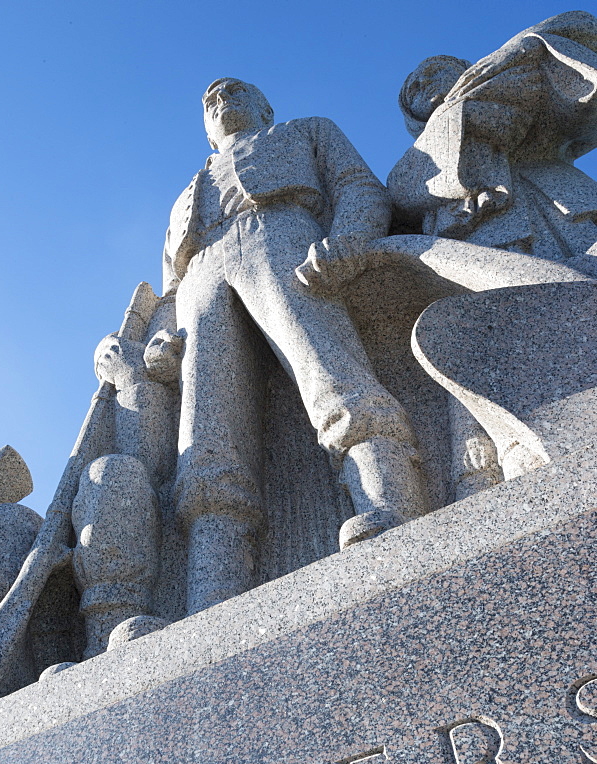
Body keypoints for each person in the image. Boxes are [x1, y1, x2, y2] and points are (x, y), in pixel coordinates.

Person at [144, 77, 427, 615]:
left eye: (234, 92)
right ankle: (214, 589)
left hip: (281, 236)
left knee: (327, 370)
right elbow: (169, 287)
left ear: (265, 106)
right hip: (202, 277)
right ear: (206, 131)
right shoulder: (186, 193)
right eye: (210, 101)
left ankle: (389, 501)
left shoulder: (307, 130)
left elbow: (359, 187)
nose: (220, 100)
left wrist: (350, 236)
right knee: (206, 433)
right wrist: (163, 331)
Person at [388, 11, 597, 261]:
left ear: (468, 71)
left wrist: (518, 50)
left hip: (559, 197)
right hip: (480, 234)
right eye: (414, 89)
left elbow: (582, 23)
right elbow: (402, 198)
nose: (424, 81)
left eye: (435, 70)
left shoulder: (516, 79)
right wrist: (461, 113)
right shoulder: (411, 165)